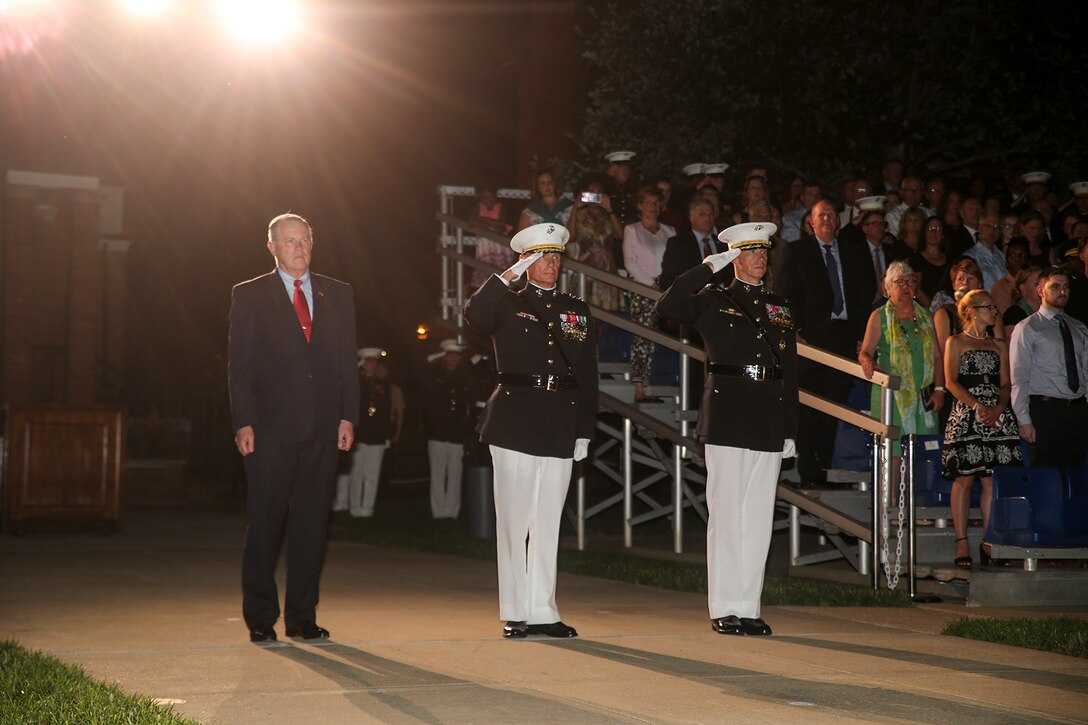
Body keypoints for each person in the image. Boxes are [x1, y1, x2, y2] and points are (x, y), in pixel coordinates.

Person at [656, 222, 797, 637]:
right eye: (751, 251)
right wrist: (707, 268)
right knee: (728, 513)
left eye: (764, 251)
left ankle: (749, 606)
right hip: (729, 415)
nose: (760, 258)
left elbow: (790, 369)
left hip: (768, 415)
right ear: (734, 256)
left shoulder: (778, 305)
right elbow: (667, 306)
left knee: (757, 518)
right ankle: (724, 606)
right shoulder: (714, 300)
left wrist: (790, 425)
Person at [462, 222, 598, 640]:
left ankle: (543, 609)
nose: (551, 264)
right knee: (515, 520)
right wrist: (506, 277)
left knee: (547, 522)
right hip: (515, 420)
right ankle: (516, 610)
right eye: (542, 257)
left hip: (559, 418)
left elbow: (587, 374)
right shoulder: (506, 302)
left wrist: (584, 429)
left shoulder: (576, 309)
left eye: (556, 256)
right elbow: (474, 315)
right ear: (527, 261)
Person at [228, 212, 359, 643]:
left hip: (322, 427)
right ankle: (261, 617)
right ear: (272, 248)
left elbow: (346, 363)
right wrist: (242, 421)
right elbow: (240, 367)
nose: (299, 247)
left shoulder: (338, 293)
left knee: (311, 524)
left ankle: (302, 616)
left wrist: (347, 415)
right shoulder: (249, 295)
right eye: (289, 241)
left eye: (305, 240)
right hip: (268, 429)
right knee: (265, 523)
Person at [776, 199, 874, 484]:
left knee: (836, 401)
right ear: (811, 222)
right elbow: (783, 296)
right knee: (809, 403)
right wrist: (791, 330)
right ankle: (808, 467)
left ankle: (826, 463)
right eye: (822, 215)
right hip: (810, 338)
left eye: (832, 214)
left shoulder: (854, 252)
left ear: (839, 221)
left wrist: (862, 336)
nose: (827, 219)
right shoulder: (796, 251)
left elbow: (864, 292)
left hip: (844, 337)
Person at [941, 290, 1021, 569]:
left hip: (996, 416)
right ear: (972, 311)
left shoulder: (999, 344)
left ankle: (990, 542)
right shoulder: (956, 341)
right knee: (964, 478)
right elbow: (951, 382)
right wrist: (978, 407)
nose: (995, 311)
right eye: (989, 307)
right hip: (967, 414)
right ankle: (961, 541)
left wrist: (998, 408)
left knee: (990, 480)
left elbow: (1006, 383)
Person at [858, 262, 945, 487]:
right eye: (899, 282)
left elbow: (937, 356)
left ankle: (920, 508)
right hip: (892, 396)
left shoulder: (925, 315)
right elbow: (865, 352)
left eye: (910, 281)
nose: (906, 286)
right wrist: (867, 361)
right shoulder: (879, 316)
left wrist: (939, 389)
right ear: (888, 289)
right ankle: (891, 506)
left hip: (923, 395)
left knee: (923, 449)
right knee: (894, 450)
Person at [1010, 267, 1088, 468]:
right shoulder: (1027, 327)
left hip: (1078, 409)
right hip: (1046, 410)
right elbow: (1019, 377)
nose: (1063, 291)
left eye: (1066, 287)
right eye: (1055, 286)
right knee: (1046, 474)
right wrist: (1023, 419)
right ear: (1040, 291)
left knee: (1075, 475)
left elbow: (1085, 371)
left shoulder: (1079, 328)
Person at [623, 185, 676, 402]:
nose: (653, 207)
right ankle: (639, 384)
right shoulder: (632, 230)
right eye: (648, 202)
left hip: (666, 290)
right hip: (641, 290)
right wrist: (651, 285)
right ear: (639, 206)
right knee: (643, 334)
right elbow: (630, 263)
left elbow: (674, 261)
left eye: (656, 202)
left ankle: (660, 380)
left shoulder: (669, 231)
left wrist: (665, 285)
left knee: (665, 337)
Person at [334, 347, 393, 518]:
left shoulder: (383, 384)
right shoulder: (356, 382)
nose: (372, 365)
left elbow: (386, 410)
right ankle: (354, 506)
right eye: (369, 362)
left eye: (375, 362)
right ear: (363, 363)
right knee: (357, 472)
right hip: (361, 434)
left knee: (372, 473)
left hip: (377, 435)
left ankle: (367, 507)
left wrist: (387, 434)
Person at [426, 339, 475, 519]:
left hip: (457, 432)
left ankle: (451, 511)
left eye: (457, 356)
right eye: (451, 356)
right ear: (445, 357)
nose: (454, 359)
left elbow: (473, 394)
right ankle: (438, 511)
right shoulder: (435, 374)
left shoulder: (465, 376)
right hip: (438, 431)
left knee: (455, 473)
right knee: (438, 473)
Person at [963, 211, 1008, 290]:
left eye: (996, 227)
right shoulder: (970, 257)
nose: (992, 230)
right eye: (988, 226)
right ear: (980, 228)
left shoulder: (1003, 257)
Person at [990, 239, 1030, 314]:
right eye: (1012, 255)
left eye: (1022, 255)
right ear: (1006, 261)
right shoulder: (1000, 287)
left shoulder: (1034, 283)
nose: (1017, 259)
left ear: (1028, 259)